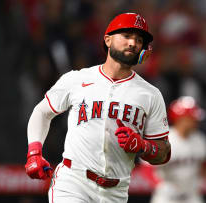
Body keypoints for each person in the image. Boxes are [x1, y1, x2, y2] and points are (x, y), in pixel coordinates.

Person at [24, 13, 171, 203]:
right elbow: (42, 112)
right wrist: (34, 152)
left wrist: (144, 146)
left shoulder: (150, 94)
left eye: (139, 39)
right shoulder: (77, 79)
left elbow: (163, 153)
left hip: (116, 192)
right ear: (108, 40)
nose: (133, 43)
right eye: (126, 36)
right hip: (74, 183)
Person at [150, 96, 206, 203]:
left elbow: (205, 167)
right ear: (181, 119)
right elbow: (148, 168)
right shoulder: (163, 139)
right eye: (192, 118)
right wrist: (158, 184)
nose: (197, 121)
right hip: (167, 198)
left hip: (192, 197)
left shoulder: (200, 139)